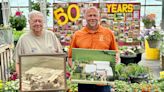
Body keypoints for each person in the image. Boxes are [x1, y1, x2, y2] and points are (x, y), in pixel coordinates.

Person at [68, 7, 118, 92]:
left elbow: (116, 52)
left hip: (103, 81)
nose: (92, 18)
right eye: (90, 15)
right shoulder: (77, 35)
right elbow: (70, 57)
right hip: (84, 81)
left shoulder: (108, 33)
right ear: (85, 17)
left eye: (95, 15)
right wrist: (75, 68)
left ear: (99, 17)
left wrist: (116, 58)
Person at [13, 10, 63, 75]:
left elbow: (61, 57)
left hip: (51, 77)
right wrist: (21, 78)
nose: (37, 23)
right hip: (30, 78)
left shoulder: (51, 35)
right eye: (35, 21)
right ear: (29, 22)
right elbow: (17, 62)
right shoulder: (23, 39)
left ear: (43, 22)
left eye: (40, 21)